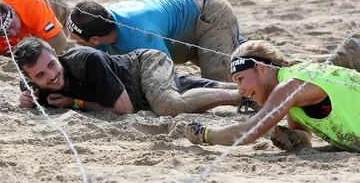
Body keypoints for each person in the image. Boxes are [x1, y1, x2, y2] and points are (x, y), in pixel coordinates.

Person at [185, 39, 360, 152]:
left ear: (261, 68)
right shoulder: (291, 88)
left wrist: (205, 134)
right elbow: (306, 139)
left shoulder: (289, 86)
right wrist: (294, 137)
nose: (240, 91)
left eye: (240, 79)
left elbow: (248, 132)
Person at [16, 37, 243, 117]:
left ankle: (242, 96)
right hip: (143, 94)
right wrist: (26, 100)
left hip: (144, 66)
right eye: (41, 75)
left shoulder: (87, 60)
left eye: (52, 65)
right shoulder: (32, 86)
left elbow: (125, 110)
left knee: (166, 105)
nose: (52, 75)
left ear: (56, 54)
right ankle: (248, 87)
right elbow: (26, 93)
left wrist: (75, 103)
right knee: (182, 89)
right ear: (30, 78)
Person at [67, 0, 247, 82]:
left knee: (231, 79)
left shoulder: (140, 36)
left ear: (95, 40)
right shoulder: (100, 20)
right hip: (181, 38)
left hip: (208, 16)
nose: (74, 43)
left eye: (78, 41)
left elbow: (169, 80)